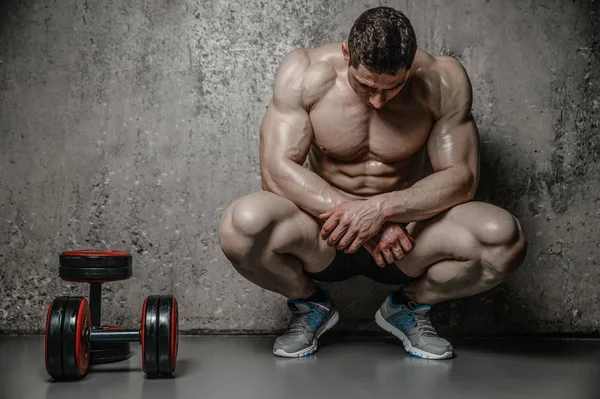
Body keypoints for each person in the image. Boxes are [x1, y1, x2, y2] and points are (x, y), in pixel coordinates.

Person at [218, 6, 527, 360]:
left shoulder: (442, 81)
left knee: (505, 240)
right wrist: (361, 219)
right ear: (347, 53)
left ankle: (408, 307)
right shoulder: (305, 73)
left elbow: (462, 179)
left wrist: (382, 210)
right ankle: (310, 304)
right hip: (324, 235)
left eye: (393, 87)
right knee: (240, 227)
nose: (378, 100)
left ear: (410, 66)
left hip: (404, 239)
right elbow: (276, 170)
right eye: (365, 86)